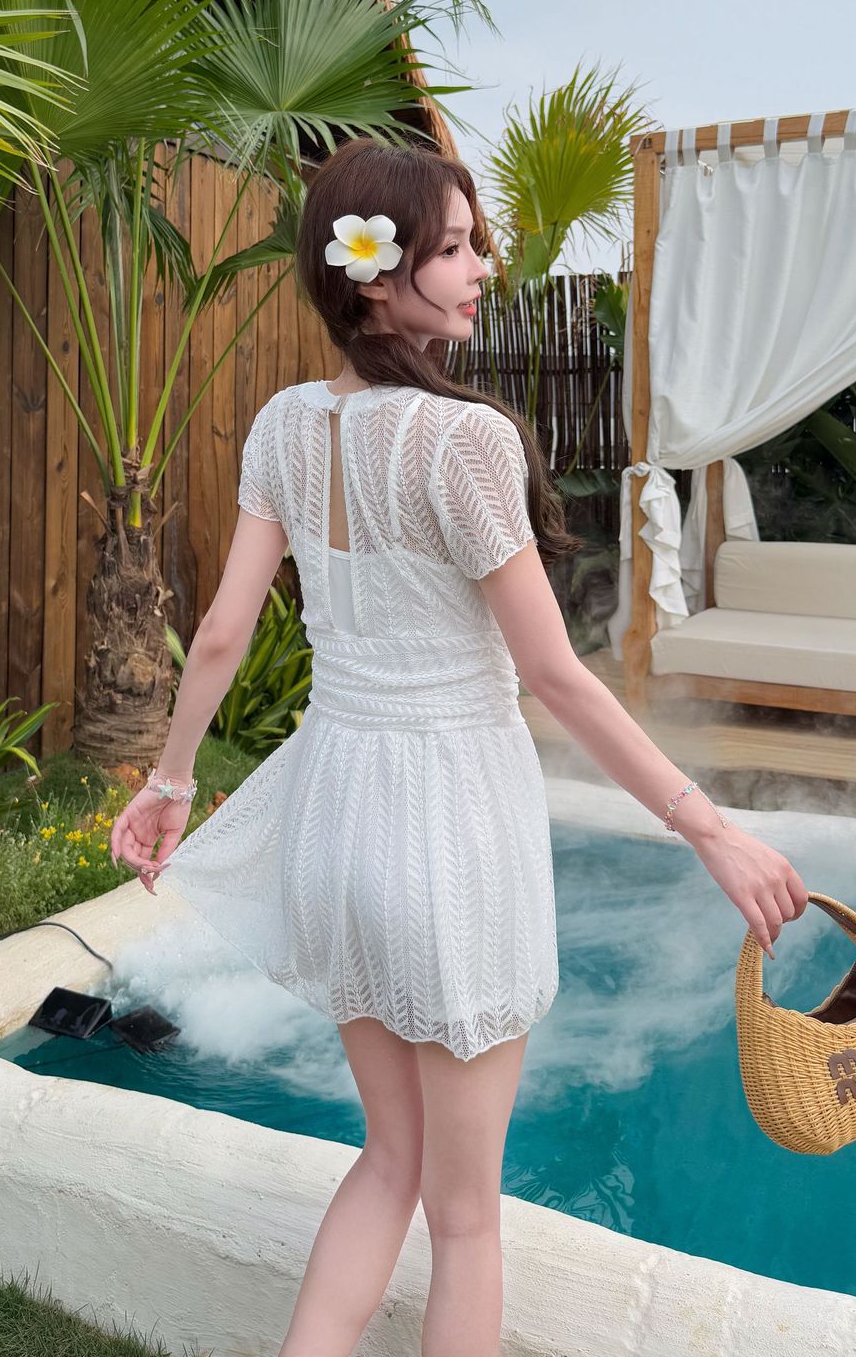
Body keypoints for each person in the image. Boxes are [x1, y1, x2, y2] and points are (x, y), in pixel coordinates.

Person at [109, 134, 810, 1357]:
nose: (483, 266)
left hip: (336, 814)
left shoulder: (281, 427)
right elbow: (553, 675)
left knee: (389, 1159)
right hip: (449, 830)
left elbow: (220, 633)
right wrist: (711, 829)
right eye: (453, 248)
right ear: (377, 278)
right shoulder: (463, 440)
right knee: (469, 1217)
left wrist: (171, 783)